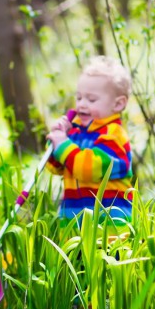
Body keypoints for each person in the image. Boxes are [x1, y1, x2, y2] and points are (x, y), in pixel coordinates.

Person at [46, 56, 133, 234]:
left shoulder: (114, 137)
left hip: (108, 229)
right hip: (74, 224)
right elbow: (57, 168)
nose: (81, 105)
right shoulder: (76, 133)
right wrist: (55, 142)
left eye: (91, 100)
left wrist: (63, 144)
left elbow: (87, 168)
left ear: (118, 104)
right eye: (79, 98)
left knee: (104, 262)